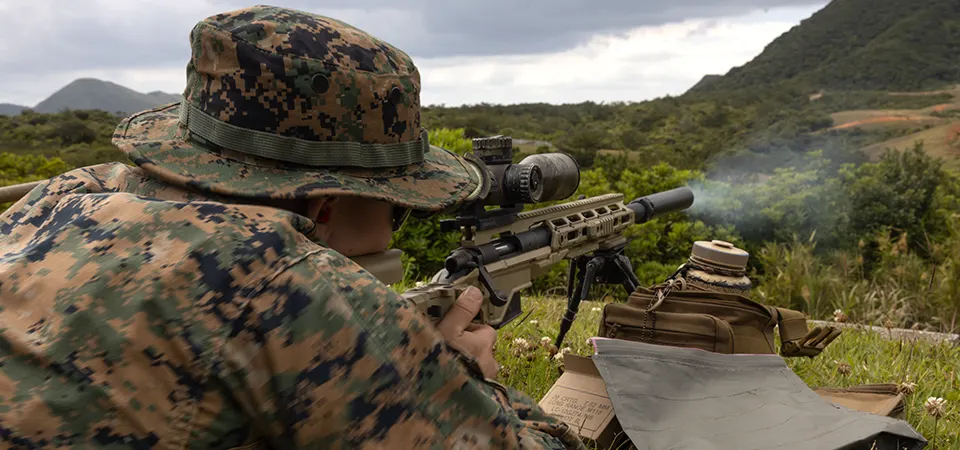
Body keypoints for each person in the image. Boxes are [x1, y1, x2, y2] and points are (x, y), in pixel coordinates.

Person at [0, 5, 585, 450]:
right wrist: (471, 377)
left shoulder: (57, 199)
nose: (394, 227)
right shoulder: (283, 280)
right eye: (397, 205)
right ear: (327, 205)